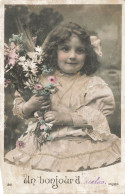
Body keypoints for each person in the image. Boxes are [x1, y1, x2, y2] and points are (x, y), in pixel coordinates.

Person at [5, 22, 121, 172]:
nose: (72, 56)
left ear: (88, 54)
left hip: (80, 141)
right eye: (65, 49)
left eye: (79, 50)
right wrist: (30, 105)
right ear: (54, 51)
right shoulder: (40, 79)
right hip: (43, 142)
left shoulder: (92, 84)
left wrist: (66, 118)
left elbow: (97, 116)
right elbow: (21, 108)